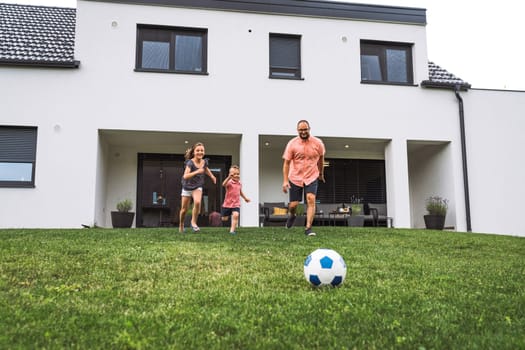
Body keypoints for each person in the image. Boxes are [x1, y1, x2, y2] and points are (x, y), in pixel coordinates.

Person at [282, 120, 325, 236]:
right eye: (301, 130)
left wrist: (321, 173)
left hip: (312, 175)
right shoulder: (292, 144)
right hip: (295, 177)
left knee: (311, 199)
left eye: (305, 129)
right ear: (297, 130)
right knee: (293, 205)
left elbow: (321, 159)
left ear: (309, 129)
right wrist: (285, 180)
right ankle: (292, 215)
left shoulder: (318, 143)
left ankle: (308, 228)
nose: (303, 132)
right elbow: (286, 163)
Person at [179, 142, 217, 233]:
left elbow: (206, 169)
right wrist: (197, 172)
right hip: (187, 186)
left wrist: (212, 176)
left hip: (197, 186)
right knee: (184, 209)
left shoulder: (204, 162)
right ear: (194, 152)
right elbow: (185, 176)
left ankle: (193, 222)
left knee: (197, 202)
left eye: (202, 150)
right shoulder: (190, 163)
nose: (200, 152)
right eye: (198, 150)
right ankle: (181, 224)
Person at [221, 165, 251, 235]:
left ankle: (232, 230)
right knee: (224, 219)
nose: (236, 175)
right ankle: (226, 216)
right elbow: (223, 184)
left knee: (236, 215)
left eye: (238, 174)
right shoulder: (229, 182)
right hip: (227, 204)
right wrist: (229, 177)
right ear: (231, 175)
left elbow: (240, 192)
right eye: (234, 174)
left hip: (236, 204)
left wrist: (245, 198)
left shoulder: (239, 183)